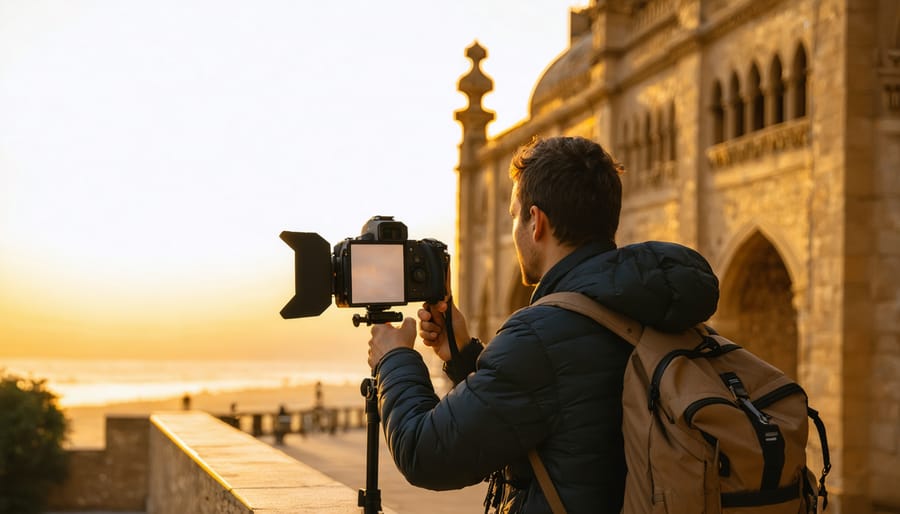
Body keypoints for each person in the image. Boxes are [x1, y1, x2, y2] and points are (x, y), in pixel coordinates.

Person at [367, 136, 719, 513]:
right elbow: (562, 405)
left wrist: (394, 359)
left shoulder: (542, 334)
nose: (514, 232)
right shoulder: (650, 303)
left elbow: (426, 454)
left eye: (515, 215)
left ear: (536, 222)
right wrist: (465, 354)